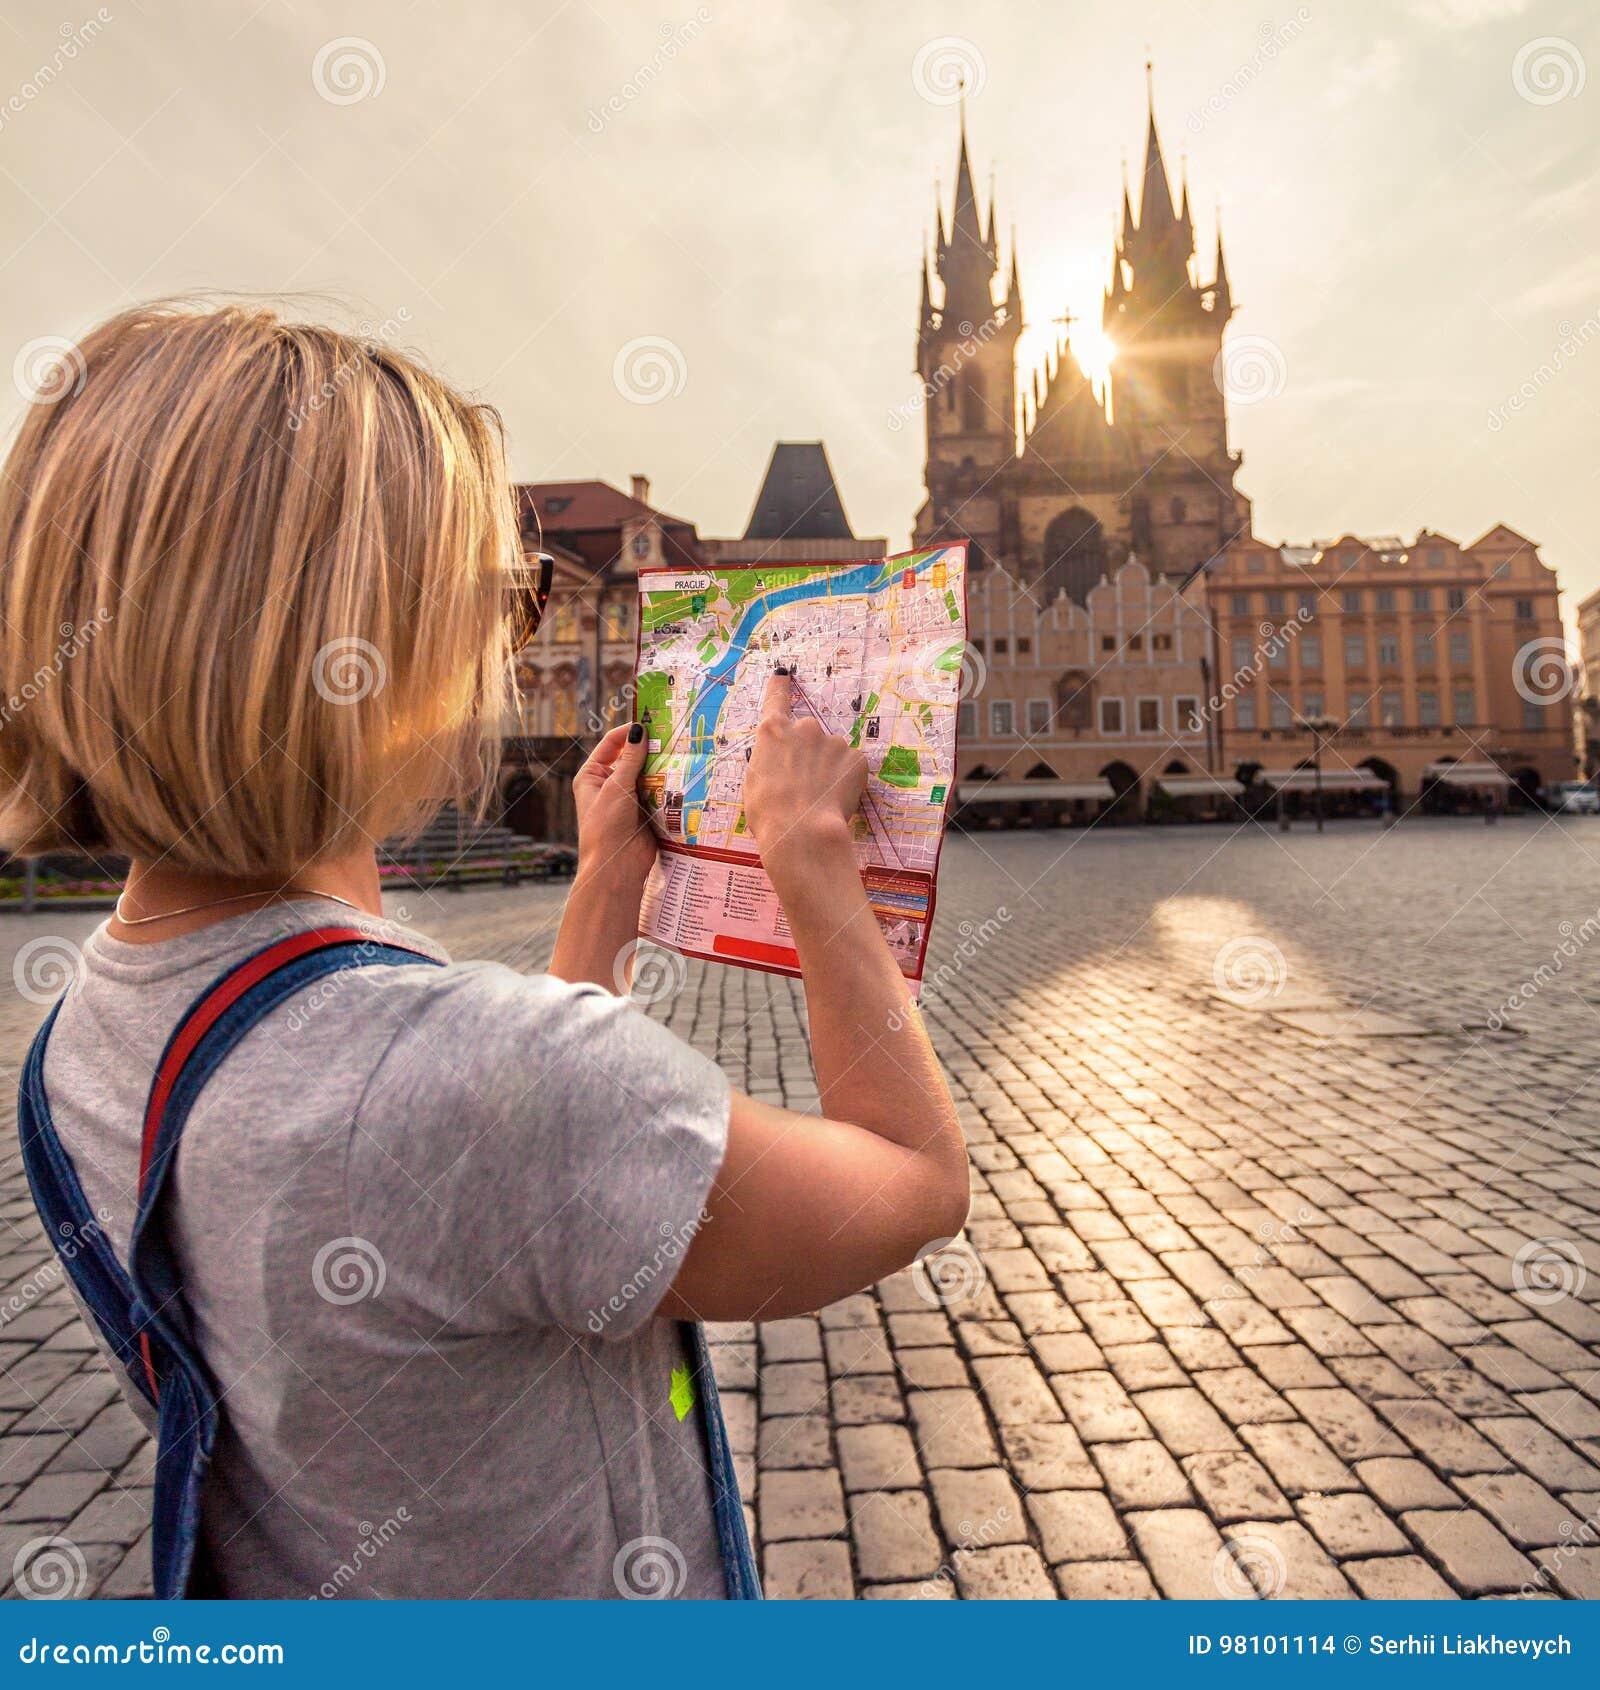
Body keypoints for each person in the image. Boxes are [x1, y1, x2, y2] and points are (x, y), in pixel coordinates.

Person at [0, 304, 967, 1598]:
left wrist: (601, 901)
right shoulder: (483, 1078)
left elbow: (478, 1198)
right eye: (494, 610)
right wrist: (812, 866)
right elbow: (911, 1181)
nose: (503, 658)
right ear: (362, 660)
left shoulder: (79, 1040)